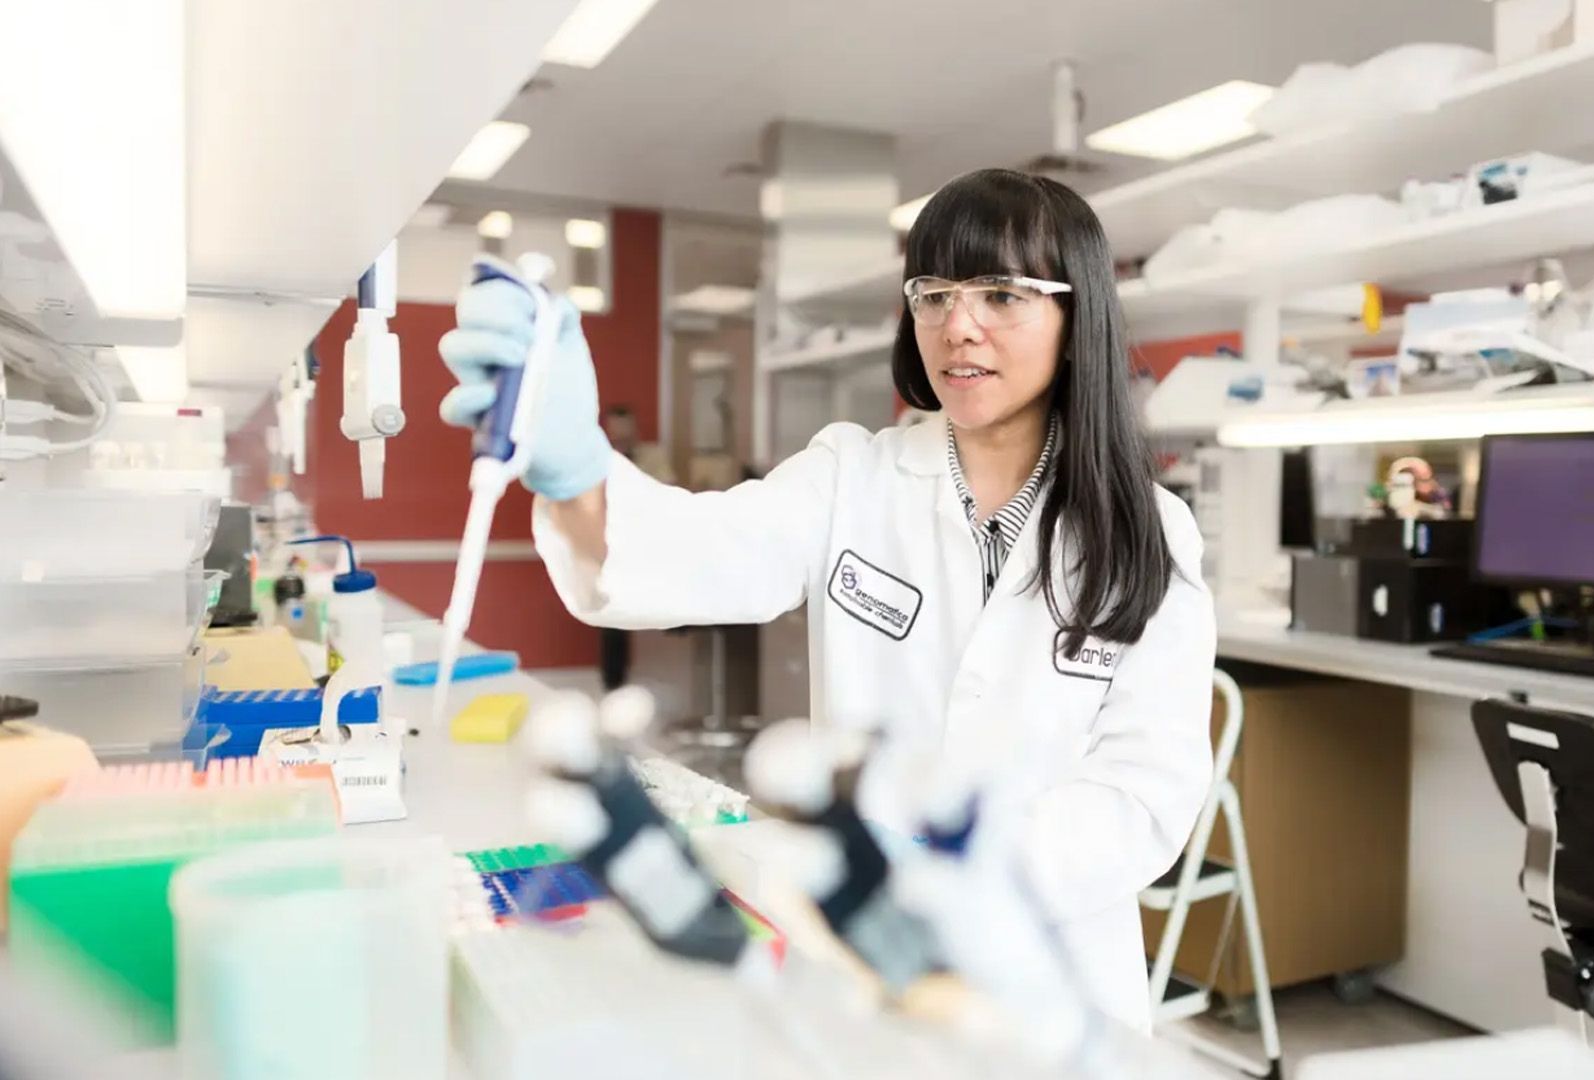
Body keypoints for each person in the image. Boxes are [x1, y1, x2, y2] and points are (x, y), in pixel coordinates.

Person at [437, 168, 1216, 1027]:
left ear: (1078, 319)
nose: (957, 325)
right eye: (933, 293)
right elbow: (692, 553)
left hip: (1051, 979)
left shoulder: (1152, 529)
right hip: (860, 969)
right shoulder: (853, 475)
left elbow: (1146, 792)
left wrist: (957, 875)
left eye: (1001, 294)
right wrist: (575, 467)